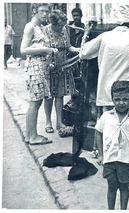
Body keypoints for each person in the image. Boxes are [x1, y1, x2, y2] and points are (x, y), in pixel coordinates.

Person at [79, 3, 129, 113]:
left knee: (109, 126)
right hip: (128, 95)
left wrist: (86, 33)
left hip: (108, 93)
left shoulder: (104, 37)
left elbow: (83, 53)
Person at [94, 81, 129, 210]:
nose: (121, 103)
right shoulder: (106, 117)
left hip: (125, 160)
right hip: (109, 159)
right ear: (112, 99)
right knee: (111, 187)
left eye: (125, 99)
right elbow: (98, 133)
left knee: (124, 186)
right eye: (117, 99)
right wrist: (100, 155)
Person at [20, 3, 54, 145]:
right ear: (35, 11)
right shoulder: (30, 26)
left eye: (47, 11)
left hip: (41, 68)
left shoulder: (40, 27)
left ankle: (30, 135)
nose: (45, 14)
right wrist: (45, 50)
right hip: (34, 68)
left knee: (36, 101)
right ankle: (33, 137)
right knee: (35, 102)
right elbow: (23, 50)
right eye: (42, 11)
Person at [43, 9, 80, 136]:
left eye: (64, 25)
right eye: (60, 25)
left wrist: (80, 50)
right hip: (50, 66)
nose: (62, 27)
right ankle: (48, 122)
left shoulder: (64, 29)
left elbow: (69, 47)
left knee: (60, 95)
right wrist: (49, 63)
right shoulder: (46, 30)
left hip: (63, 65)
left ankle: (59, 122)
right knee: (48, 95)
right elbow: (44, 50)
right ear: (53, 24)